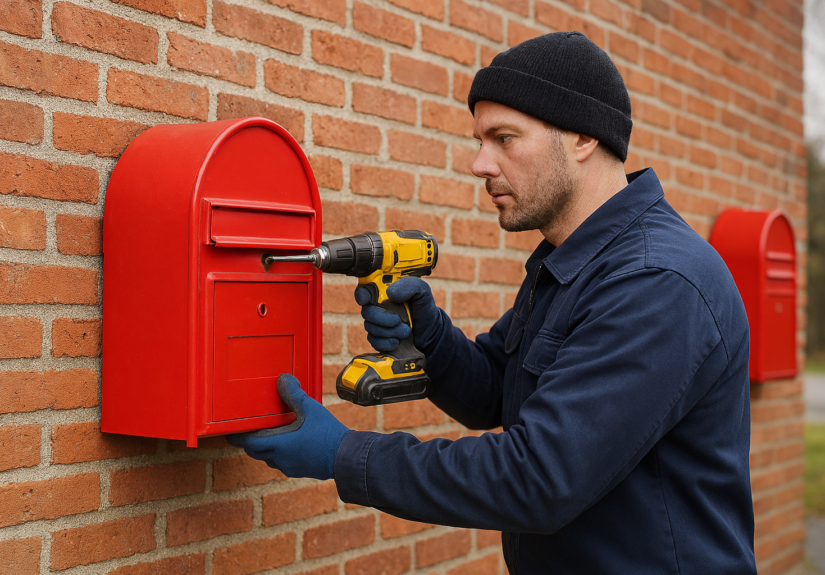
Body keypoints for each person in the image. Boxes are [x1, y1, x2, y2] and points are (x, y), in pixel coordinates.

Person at [229, 32, 757, 574]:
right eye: (480, 139)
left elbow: (539, 478)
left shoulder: (655, 281)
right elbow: (498, 392)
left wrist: (343, 455)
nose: (480, 163)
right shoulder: (571, 260)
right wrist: (432, 340)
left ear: (581, 138)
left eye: (504, 138)